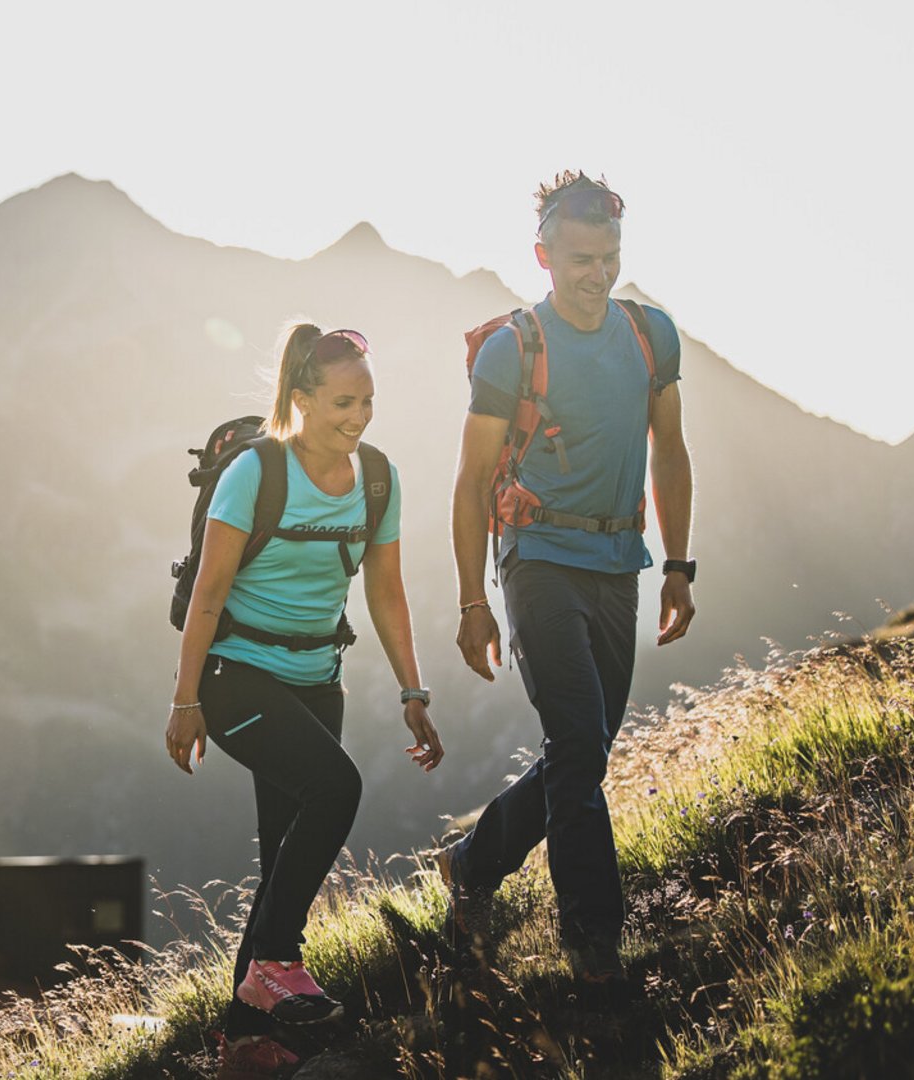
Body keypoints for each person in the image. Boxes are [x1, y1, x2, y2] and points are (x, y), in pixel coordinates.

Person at [437, 171, 696, 992]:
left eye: (609, 256)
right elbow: (473, 477)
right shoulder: (516, 348)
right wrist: (474, 599)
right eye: (581, 258)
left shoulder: (651, 335)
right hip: (537, 561)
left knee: (582, 753)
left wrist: (680, 566)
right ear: (543, 255)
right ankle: (594, 950)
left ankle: (473, 865)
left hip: (621, 565)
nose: (597, 273)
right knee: (580, 746)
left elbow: (670, 451)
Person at [165, 323, 445, 1079]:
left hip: (320, 680)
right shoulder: (256, 473)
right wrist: (185, 699)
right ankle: (279, 962)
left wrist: (412, 688)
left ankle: (248, 1043)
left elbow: (385, 591)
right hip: (235, 678)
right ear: (300, 399)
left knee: (282, 852)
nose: (359, 417)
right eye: (343, 402)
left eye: (369, 401)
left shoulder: (377, 478)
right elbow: (210, 593)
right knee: (337, 786)